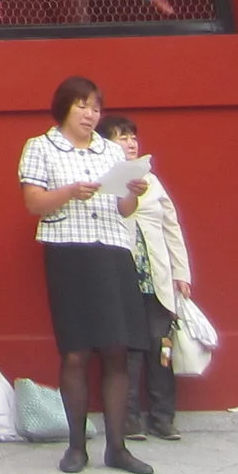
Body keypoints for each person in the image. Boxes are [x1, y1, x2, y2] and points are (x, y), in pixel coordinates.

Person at [17, 76, 150, 474]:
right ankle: (76, 447)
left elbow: (124, 209)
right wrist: (69, 192)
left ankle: (118, 447)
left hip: (112, 250)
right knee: (75, 351)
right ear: (64, 108)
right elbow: (33, 202)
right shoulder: (41, 146)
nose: (90, 115)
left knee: (117, 348)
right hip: (69, 252)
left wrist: (133, 190)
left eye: (95, 108)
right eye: (82, 106)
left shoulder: (111, 150)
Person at [100, 113, 191, 443]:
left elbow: (171, 227)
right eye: (121, 137)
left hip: (156, 278)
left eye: (132, 137)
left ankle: (163, 417)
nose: (130, 143)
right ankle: (129, 419)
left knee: (160, 347)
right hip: (121, 278)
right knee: (127, 350)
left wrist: (181, 272)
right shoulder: (102, 181)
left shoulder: (151, 180)